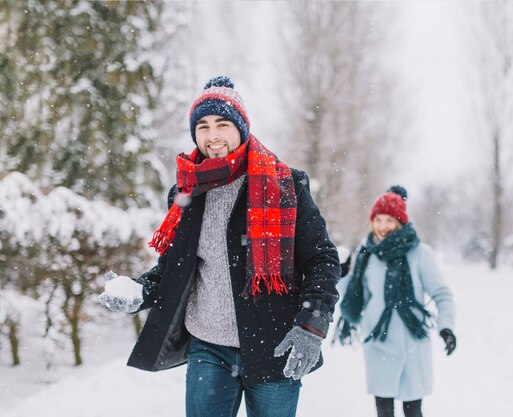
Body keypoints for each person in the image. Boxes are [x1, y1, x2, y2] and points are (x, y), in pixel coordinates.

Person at [98, 76, 340, 417]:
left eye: (222, 124)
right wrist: (139, 292)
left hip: (274, 344)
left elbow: (322, 259)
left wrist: (311, 325)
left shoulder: (285, 184)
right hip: (208, 347)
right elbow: (174, 269)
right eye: (203, 126)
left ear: (241, 128)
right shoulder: (186, 191)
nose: (212, 136)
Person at [335, 185, 456, 417]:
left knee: (413, 410)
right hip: (378, 343)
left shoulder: (420, 253)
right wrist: (341, 273)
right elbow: (352, 294)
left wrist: (446, 328)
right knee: (383, 410)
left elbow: (442, 294)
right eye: (378, 220)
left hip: (412, 345)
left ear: (400, 222)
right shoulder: (365, 253)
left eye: (390, 220)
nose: (383, 227)